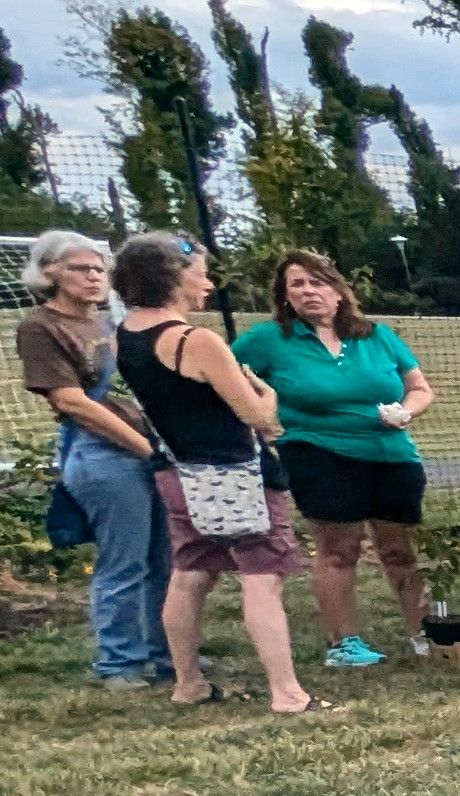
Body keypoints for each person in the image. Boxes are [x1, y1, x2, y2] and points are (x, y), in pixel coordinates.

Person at [111, 234, 321, 714]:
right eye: (200, 272)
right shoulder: (194, 340)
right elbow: (258, 416)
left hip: (177, 471)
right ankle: (287, 692)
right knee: (262, 574)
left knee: (190, 573)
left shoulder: (125, 335)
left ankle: (188, 684)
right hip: (234, 474)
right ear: (173, 278)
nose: (207, 282)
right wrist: (267, 396)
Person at [234, 252, 431, 667]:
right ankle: (345, 643)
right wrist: (261, 415)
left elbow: (419, 388)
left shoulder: (375, 335)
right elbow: (225, 377)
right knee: (339, 550)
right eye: (297, 285)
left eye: (317, 282)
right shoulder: (268, 339)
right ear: (285, 297)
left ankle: (424, 633)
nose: (309, 291)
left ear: (339, 291)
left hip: (391, 453)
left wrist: (407, 411)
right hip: (318, 452)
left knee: (399, 550)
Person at [16, 229, 168, 685]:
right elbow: (71, 402)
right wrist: (145, 449)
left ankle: (167, 652)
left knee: (165, 560)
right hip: (104, 455)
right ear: (48, 272)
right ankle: (120, 661)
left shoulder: (107, 324)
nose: (93, 276)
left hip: (151, 449)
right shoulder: (40, 327)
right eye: (80, 268)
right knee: (123, 562)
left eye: (99, 268)